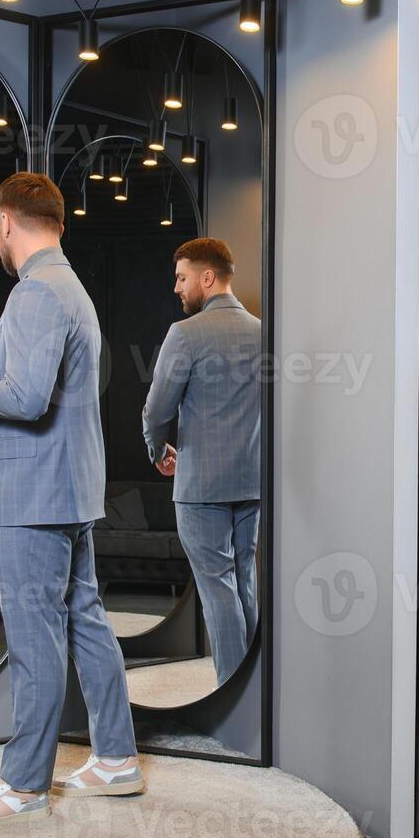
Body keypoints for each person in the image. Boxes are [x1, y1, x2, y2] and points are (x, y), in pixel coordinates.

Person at [0, 173, 139, 830]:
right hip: (68, 487)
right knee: (84, 617)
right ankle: (114, 760)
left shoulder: (34, 293)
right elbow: (39, 391)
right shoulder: (69, 288)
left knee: (33, 639)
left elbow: (23, 399)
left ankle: (22, 783)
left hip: (34, 498)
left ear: (4, 223)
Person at [142, 238, 261, 686]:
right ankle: (254, 690)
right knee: (244, 582)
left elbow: (156, 410)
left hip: (201, 487)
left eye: (182, 277)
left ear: (207, 278)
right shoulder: (263, 330)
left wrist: (157, 450)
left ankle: (233, 693)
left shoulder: (185, 334)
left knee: (217, 589)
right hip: (252, 483)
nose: (177, 287)